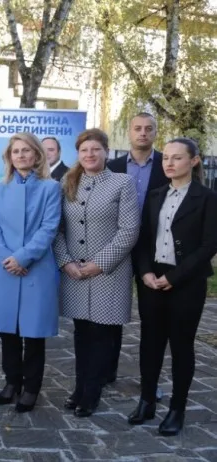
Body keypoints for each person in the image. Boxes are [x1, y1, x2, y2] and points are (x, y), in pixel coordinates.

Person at [127, 138, 217, 436]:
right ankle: (146, 401)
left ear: (194, 161)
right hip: (152, 279)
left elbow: (209, 245)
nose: (169, 163)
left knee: (181, 346)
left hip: (186, 282)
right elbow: (143, 239)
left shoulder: (207, 198)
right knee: (150, 343)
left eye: (177, 158)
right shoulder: (155, 195)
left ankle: (177, 409)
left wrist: (174, 277)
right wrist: (145, 272)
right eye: (166, 157)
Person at [54, 128, 139, 417]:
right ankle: (79, 388)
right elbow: (58, 229)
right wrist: (66, 262)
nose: (90, 154)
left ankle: (91, 394)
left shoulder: (122, 183)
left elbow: (128, 231)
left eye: (95, 149)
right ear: (78, 154)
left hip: (108, 274)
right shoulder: (68, 181)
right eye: (84, 150)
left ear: (106, 152)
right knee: (81, 334)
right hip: (75, 273)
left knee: (101, 335)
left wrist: (98, 264)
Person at [0, 133, 61, 413]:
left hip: (35, 268)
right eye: (16, 151)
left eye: (26, 150)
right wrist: (8, 258)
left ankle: (31, 388)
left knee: (34, 333)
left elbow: (49, 228)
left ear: (37, 154)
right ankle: (11, 382)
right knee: (8, 332)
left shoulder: (51, 188)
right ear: (9, 156)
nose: (21, 155)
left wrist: (23, 257)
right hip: (5, 268)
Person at [106, 112, 168, 390]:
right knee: (110, 315)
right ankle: (107, 371)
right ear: (129, 132)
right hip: (117, 247)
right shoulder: (113, 167)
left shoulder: (167, 164)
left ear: (155, 132)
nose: (143, 133)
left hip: (155, 251)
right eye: (138, 128)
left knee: (152, 318)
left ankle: (149, 380)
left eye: (148, 128)